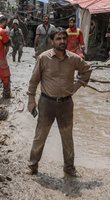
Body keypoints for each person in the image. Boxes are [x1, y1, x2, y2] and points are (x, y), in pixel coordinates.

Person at [26, 27, 92, 177]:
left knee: (67, 137)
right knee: (40, 136)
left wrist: (77, 85)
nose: (62, 41)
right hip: (47, 103)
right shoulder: (44, 58)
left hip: (66, 104)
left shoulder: (73, 58)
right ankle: (33, 165)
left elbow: (87, 69)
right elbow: (33, 81)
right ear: (52, 41)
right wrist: (31, 101)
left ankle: (69, 168)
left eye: (64, 38)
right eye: (58, 39)